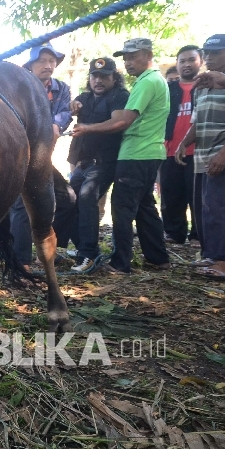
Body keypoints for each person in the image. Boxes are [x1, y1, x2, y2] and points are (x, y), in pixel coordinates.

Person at [72, 37, 171, 274]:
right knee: (145, 208)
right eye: (125, 57)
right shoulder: (154, 80)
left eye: (133, 56)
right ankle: (158, 258)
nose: (128, 62)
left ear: (148, 55)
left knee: (122, 209)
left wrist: (87, 128)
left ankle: (120, 264)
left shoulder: (146, 82)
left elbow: (123, 121)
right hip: (149, 152)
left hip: (136, 153)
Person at [55, 58, 130, 272]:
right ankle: (74, 248)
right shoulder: (85, 97)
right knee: (67, 200)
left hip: (104, 163)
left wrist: (87, 128)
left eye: (104, 76)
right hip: (83, 164)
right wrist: (71, 106)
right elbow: (69, 110)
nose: (98, 80)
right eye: (95, 76)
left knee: (87, 200)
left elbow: (117, 123)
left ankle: (89, 255)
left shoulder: (119, 96)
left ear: (114, 78)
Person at [10, 42, 76, 269]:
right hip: (20, 155)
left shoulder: (61, 88)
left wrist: (55, 124)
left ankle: (48, 250)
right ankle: (21, 261)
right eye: (42, 61)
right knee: (22, 204)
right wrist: (47, 127)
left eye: (51, 61)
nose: (48, 65)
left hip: (42, 158)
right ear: (31, 65)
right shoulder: (19, 86)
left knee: (67, 199)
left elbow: (65, 112)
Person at [176, 34, 225, 280]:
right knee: (203, 209)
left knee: (219, 208)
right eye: (207, 52)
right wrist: (183, 143)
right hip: (202, 156)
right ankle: (211, 254)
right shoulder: (202, 84)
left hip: (224, 156)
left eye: (217, 52)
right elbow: (197, 122)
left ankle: (223, 262)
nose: (210, 57)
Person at [161, 45, 202, 246]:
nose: (186, 64)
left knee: (197, 195)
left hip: (198, 151)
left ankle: (197, 234)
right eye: (182, 61)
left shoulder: (206, 86)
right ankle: (173, 233)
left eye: (191, 60)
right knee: (171, 195)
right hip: (169, 150)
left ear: (200, 62)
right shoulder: (168, 89)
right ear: (176, 64)